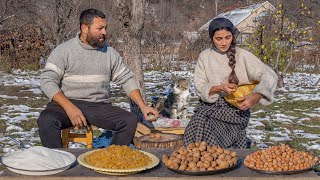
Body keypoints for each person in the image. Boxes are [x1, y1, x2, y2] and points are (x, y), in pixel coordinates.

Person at [37, 8, 158, 148]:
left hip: (98, 106)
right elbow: (47, 81)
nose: (104, 32)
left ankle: (111, 159)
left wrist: (143, 106)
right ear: (84, 28)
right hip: (66, 103)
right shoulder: (64, 51)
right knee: (46, 119)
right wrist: (70, 108)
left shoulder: (110, 53)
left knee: (129, 120)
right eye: (99, 28)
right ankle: (57, 162)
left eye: (105, 28)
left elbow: (126, 79)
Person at [183, 18, 278, 149]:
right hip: (209, 106)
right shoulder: (205, 57)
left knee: (210, 129)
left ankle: (220, 162)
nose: (224, 43)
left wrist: (256, 97)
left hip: (236, 110)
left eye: (228, 37)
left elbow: (270, 75)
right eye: (219, 39)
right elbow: (199, 85)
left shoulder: (243, 55)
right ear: (212, 38)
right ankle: (199, 162)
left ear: (233, 36)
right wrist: (219, 88)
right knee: (198, 122)